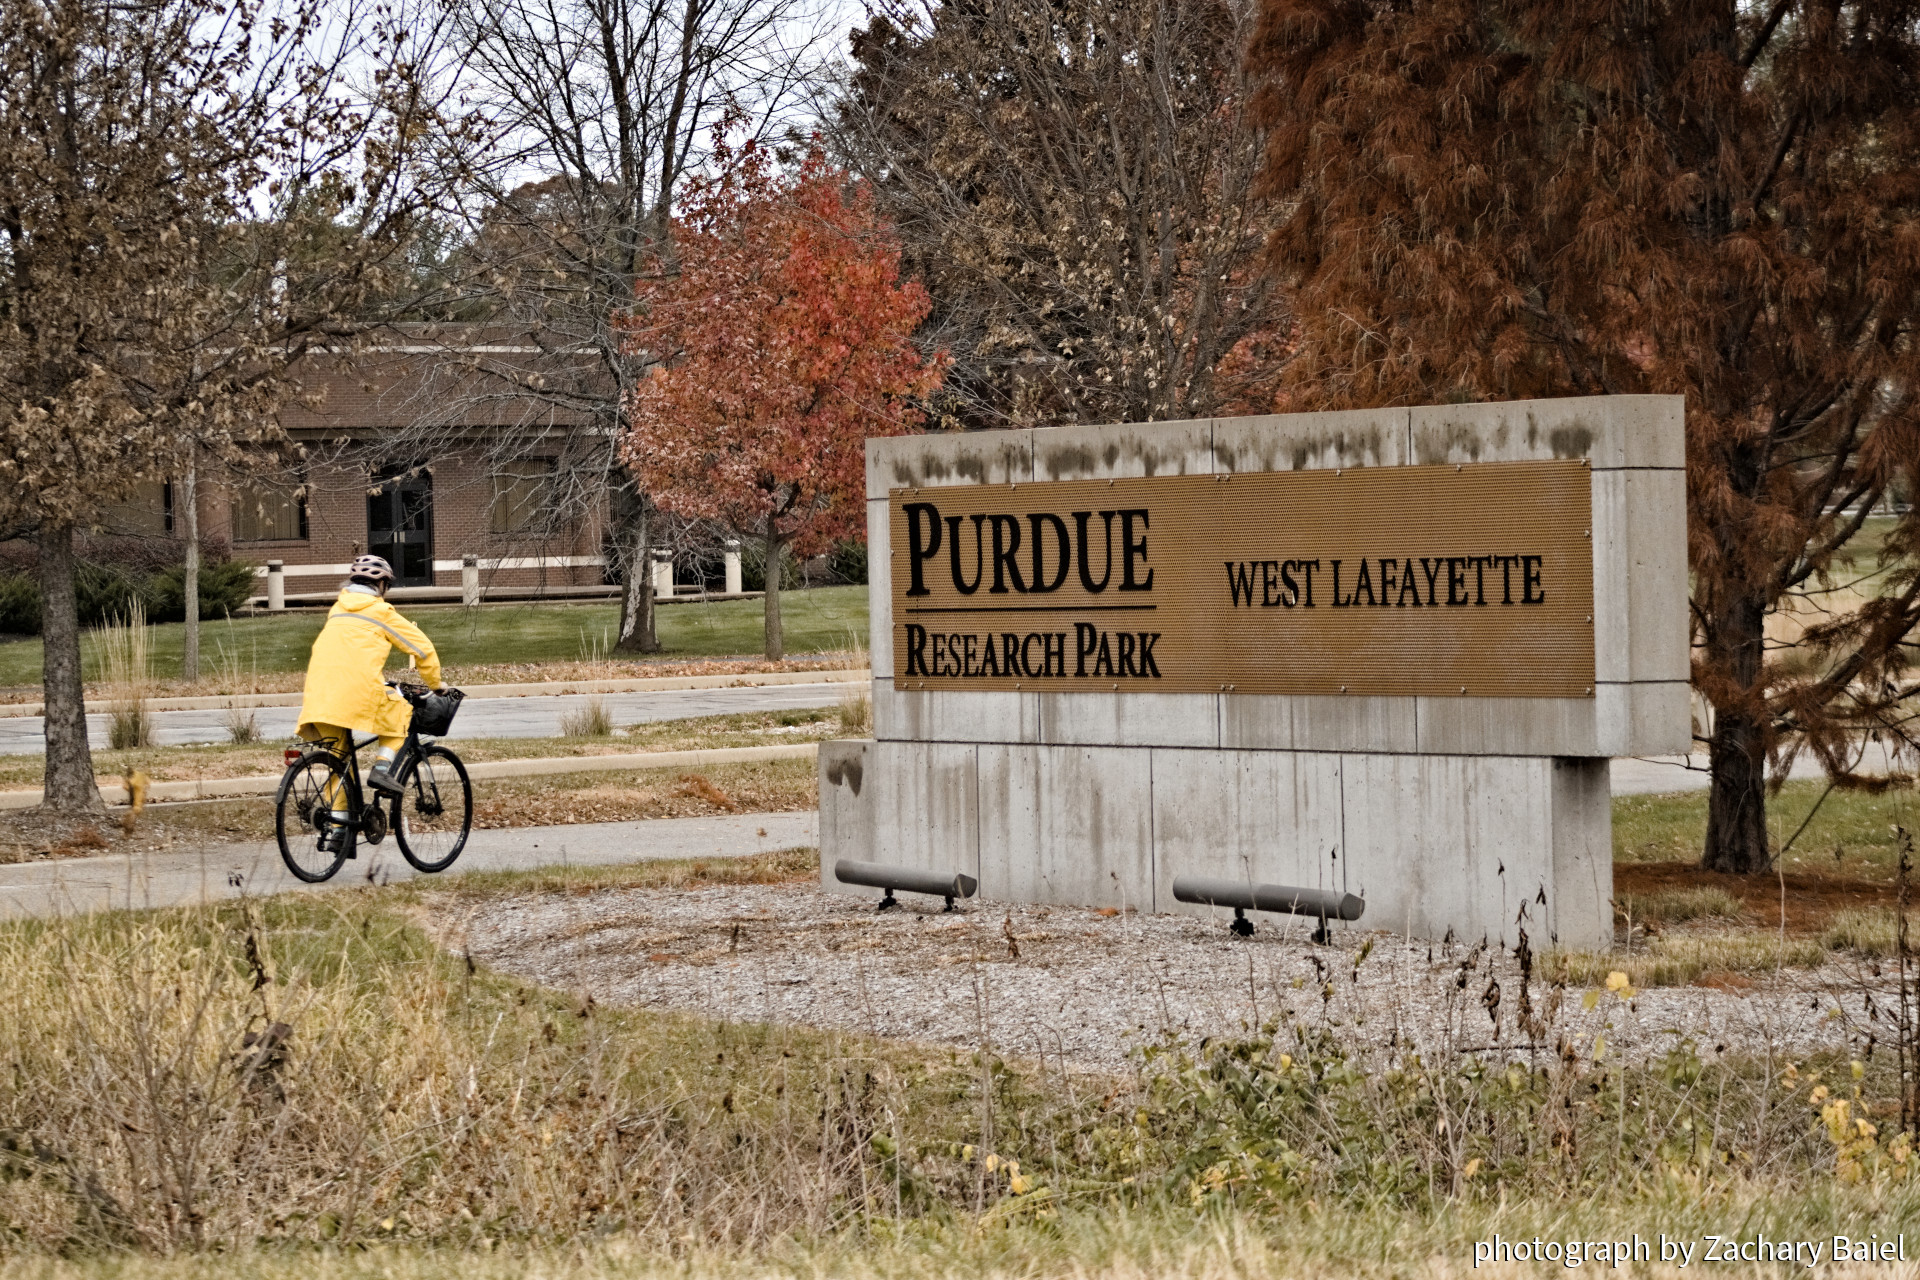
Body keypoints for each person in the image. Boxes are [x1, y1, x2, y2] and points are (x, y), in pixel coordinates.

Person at [295, 555, 444, 850]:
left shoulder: (338, 609)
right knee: (401, 708)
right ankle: (383, 769)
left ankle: (339, 830)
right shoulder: (381, 611)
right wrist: (437, 685)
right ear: (382, 584)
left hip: (320, 692)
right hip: (355, 689)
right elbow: (422, 648)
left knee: (340, 762)